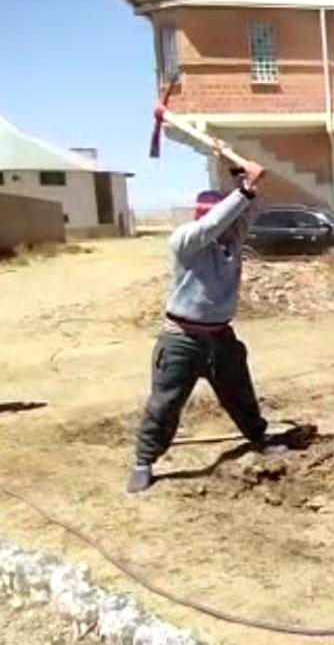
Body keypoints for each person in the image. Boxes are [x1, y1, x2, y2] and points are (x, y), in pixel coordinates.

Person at [128, 159, 286, 494]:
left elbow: (249, 210)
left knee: (240, 393)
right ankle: (144, 462)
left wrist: (248, 183)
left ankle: (259, 437)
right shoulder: (185, 239)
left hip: (221, 337)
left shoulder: (233, 238)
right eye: (223, 218)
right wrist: (242, 191)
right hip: (182, 339)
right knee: (165, 404)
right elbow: (215, 222)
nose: (229, 225)